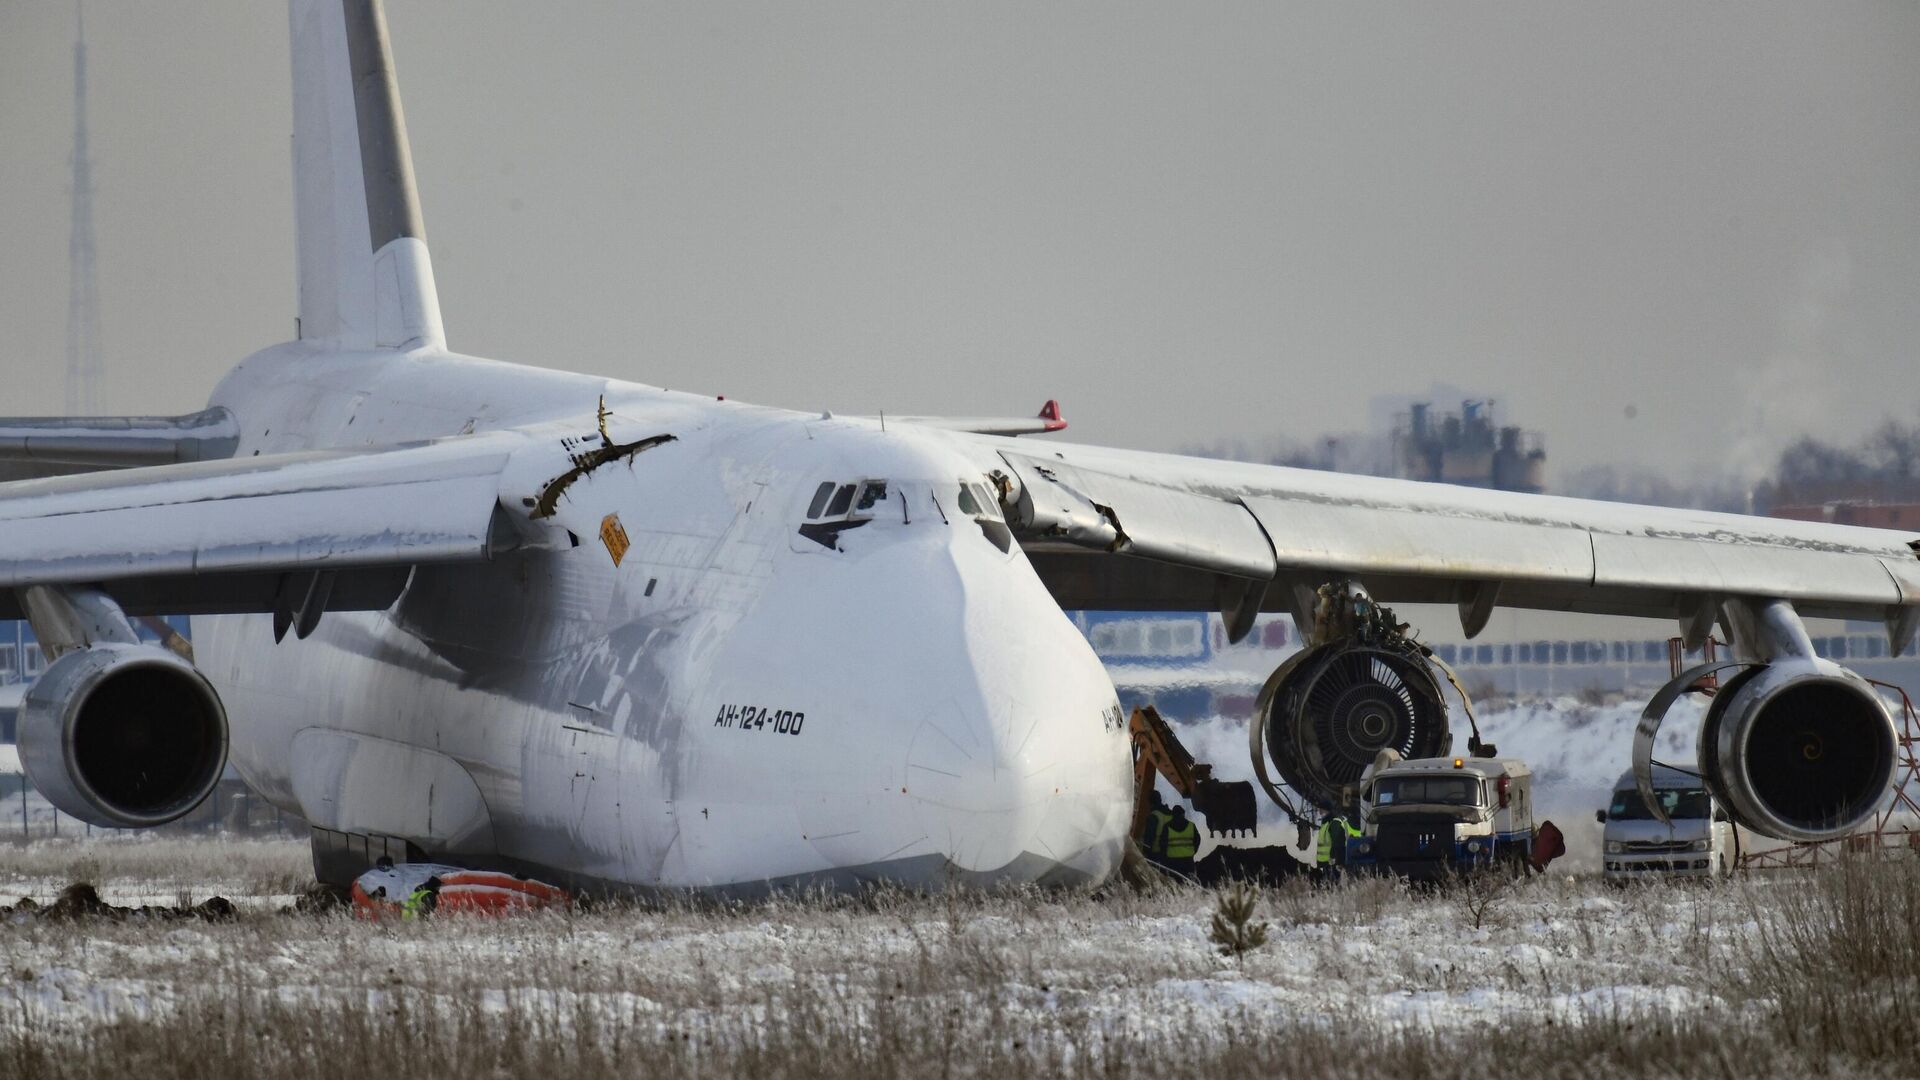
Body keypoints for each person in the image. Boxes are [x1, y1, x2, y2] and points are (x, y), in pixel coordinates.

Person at [1160, 804, 1200, 878]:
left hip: (1172, 862)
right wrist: (1193, 851)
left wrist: (1164, 859)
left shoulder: (1167, 826)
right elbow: (1197, 840)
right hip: (1188, 861)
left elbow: (1162, 845)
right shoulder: (1191, 826)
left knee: (1173, 884)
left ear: (1173, 814)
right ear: (1183, 814)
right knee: (1188, 884)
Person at [1141, 791, 1173, 866]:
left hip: (1155, 856)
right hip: (1171, 856)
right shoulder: (1172, 815)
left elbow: (1148, 839)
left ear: (1150, 802)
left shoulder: (1154, 816)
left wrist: (1144, 853)